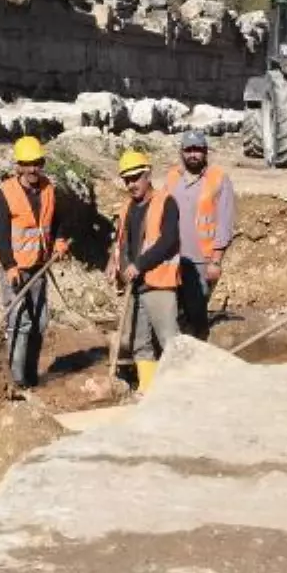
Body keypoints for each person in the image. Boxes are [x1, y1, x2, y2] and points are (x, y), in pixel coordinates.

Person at [0, 135, 70, 388]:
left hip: (39, 267)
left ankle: (31, 376)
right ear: (19, 166)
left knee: (39, 322)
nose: (33, 169)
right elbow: (0, 235)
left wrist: (59, 242)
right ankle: (17, 380)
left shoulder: (48, 189)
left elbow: (58, 221)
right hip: (16, 269)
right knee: (19, 323)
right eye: (27, 164)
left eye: (37, 163)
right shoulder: (7, 192)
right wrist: (10, 266)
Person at [106, 150, 181, 394]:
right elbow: (121, 240)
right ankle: (147, 390)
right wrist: (113, 261)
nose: (131, 184)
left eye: (136, 178)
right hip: (135, 286)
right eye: (127, 180)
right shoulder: (127, 206)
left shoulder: (165, 202)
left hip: (159, 283)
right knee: (140, 342)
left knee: (170, 341)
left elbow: (169, 240)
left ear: (148, 175)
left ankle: (180, 390)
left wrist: (140, 264)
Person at [164, 130, 235, 341]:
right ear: (181, 152)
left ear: (205, 152)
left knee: (196, 310)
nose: (193, 154)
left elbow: (225, 222)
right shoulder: (172, 177)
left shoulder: (219, 179)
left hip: (200, 260)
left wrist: (216, 261)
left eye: (198, 150)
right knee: (173, 310)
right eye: (189, 150)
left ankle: (200, 345)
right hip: (173, 256)